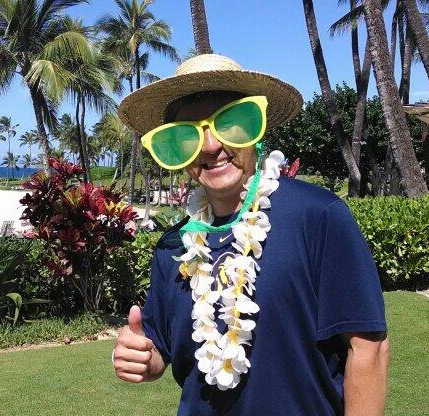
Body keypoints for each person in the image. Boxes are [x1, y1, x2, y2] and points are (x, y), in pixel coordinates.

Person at [113, 54, 389, 415]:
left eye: (230, 122)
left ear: (255, 128)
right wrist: (141, 359)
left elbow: (369, 348)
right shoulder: (172, 249)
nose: (211, 147)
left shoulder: (318, 216)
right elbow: (160, 351)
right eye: (186, 136)